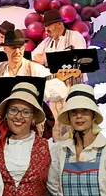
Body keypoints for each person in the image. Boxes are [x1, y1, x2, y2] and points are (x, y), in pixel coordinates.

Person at [31, 9, 87, 141]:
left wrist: (46, 59)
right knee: (56, 130)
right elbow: (33, 56)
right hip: (54, 93)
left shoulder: (75, 37)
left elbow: (79, 59)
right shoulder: (47, 42)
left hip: (72, 90)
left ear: (59, 24)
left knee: (73, 128)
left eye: (49, 25)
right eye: (45, 26)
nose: (46, 29)